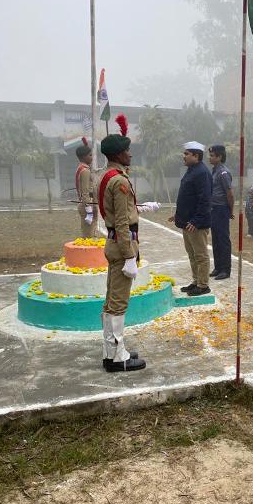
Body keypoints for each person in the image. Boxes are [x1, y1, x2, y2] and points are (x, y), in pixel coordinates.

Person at [99, 114, 147, 372]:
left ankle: (111, 351)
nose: (130, 154)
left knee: (110, 302)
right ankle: (118, 358)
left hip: (114, 244)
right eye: (127, 150)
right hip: (121, 245)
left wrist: (139, 209)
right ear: (118, 154)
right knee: (118, 303)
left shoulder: (108, 175)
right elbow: (120, 222)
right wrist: (130, 256)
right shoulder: (119, 181)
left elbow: (121, 213)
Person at [169, 141, 212, 297]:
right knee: (192, 254)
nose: (184, 156)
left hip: (196, 224)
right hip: (187, 222)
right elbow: (188, 198)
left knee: (200, 255)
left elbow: (205, 199)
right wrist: (178, 215)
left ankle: (203, 285)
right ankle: (196, 281)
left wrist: (196, 220)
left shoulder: (202, 172)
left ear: (196, 155)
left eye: (187, 154)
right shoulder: (192, 170)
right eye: (184, 153)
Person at [208, 145, 234, 280]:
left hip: (221, 209)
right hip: (213, 209)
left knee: (223, 240)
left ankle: (225, 269)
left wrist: (230, 210)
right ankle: (218, 267)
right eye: (210, 155)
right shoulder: (214, 171)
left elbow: (229, 193)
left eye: (212, 155)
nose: (210, 158)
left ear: (220, 157)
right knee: (216, 239)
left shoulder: (223, 172)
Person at [75, 137, 97, 238]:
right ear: (83, 157)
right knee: (89, 235)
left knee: (88, 233)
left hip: (87, 204)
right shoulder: (85, 171)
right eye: (90, 155)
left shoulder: (81, 168)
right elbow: (85, 191)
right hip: (88, 206)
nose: (92, 157)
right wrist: (89, 210)